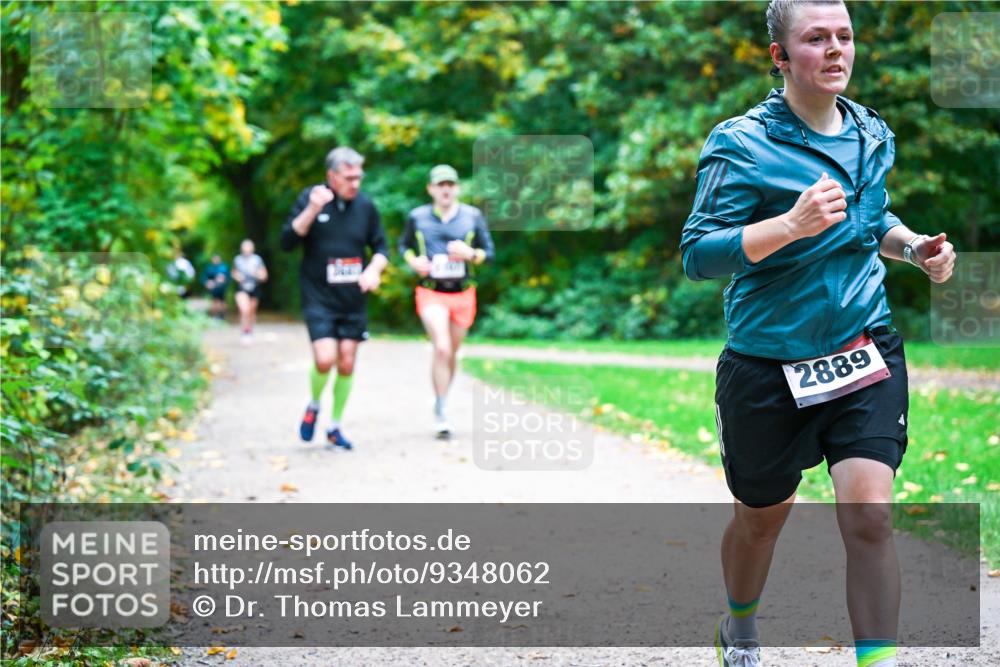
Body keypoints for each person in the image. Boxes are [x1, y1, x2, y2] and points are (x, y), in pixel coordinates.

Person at [679, 2, 956, 666]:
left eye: (844, 36)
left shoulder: (870, 132)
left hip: (863, 347)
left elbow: (872, 217)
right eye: (816, 38)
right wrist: (788, 225)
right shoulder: (740, 144)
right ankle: (740, 627)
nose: (836, 49)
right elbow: (698, 254)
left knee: (871, 516)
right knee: (760, 520)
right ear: (779, 56)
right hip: (767, 363)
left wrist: (913, 248)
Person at [281, 146, 389, 450]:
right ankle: (314, 404)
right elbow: (287, 241)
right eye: (349, 178)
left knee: (347, 361)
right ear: (331, 176)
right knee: (325, 358)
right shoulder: (311, 198)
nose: (355, 183)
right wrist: (312, 210)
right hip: (318, 297)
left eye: (359, 177)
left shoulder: (366, 206)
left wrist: (373, 270)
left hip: (352, 299)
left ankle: (335, 426)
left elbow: (381, 248)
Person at [400, 164, 495, 438]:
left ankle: (441, 398)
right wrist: (413, 262)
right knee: (441, 348)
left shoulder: (472, 216)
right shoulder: (417, 216)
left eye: (450, 184)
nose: (446, 189)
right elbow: (403, 246)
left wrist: (470, 254)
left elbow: (489, 253)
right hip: (431, 291)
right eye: (440, 185)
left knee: (451, 352)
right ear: (430, 189)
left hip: (463, 293)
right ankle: (441, 411)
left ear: (457, 188)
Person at [232, 239, 268, 344]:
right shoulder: (237, 259)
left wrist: (259, 275)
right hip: (242, 288)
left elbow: (264, 275)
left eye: (248, 247)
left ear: (252, 248)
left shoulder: (257, 260)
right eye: (245, 247)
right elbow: (234, 272)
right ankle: (245, 332)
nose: (246, 249)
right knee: (244, 310)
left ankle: (250, 330)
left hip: (254, 288)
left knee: (251, 312)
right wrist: (238, 277)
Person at [202, 254, 229, 320]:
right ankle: (214, 316)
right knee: (214, 301)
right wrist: (207, 283)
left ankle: (222, 316)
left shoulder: (224, 267)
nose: (215, 260)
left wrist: (224, 280)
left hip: (221, 288)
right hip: (213, 288)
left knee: (222, 302)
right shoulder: (209, 268)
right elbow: (204, 278)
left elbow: (228, 277)